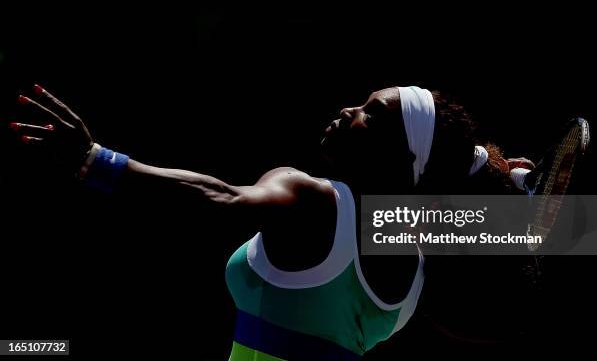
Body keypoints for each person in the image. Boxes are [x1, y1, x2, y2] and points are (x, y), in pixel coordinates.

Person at [10, 84, 535, 359]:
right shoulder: (420, 256)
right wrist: (515, 219)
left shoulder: (314, 200)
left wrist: (95, 159)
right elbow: (501, 322)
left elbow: (222, 197)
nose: (350, 109)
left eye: (372, 110)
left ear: (401, 155)